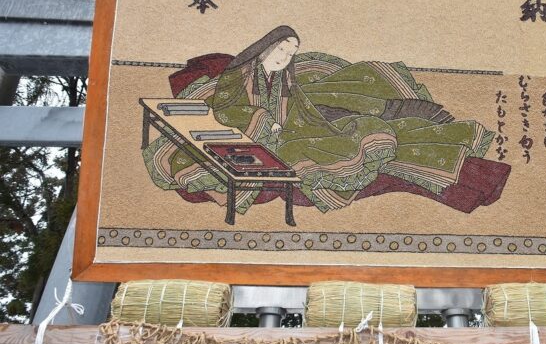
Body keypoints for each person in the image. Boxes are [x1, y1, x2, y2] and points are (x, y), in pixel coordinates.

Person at [143, 26, 510, 216]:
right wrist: (264, 121)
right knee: (357, 139)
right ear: (266, 47)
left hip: (299, 121)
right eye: (281, 49)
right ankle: (399, 121)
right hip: (268, 133)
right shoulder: (237, 77)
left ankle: (402, 112)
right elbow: (227, 109)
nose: (285, 57)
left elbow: (297, 106)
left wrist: (295, 118)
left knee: (348, 108)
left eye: (291, 52)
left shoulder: (286, 76)